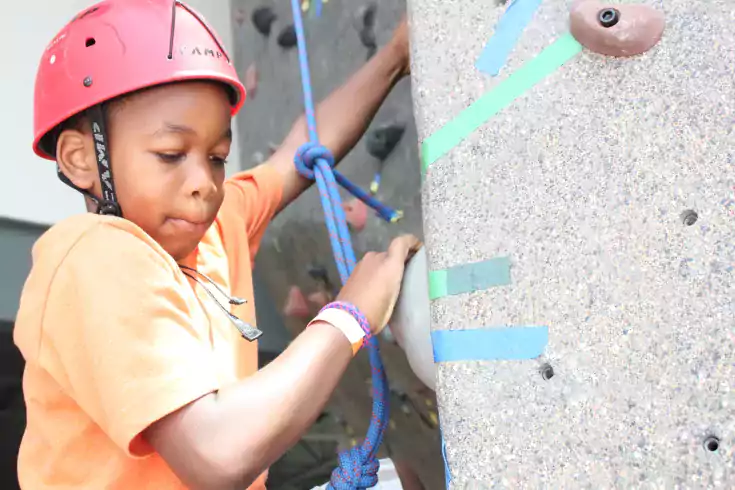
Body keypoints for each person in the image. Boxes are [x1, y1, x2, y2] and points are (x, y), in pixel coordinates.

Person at [13, 0, 420, 488]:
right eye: (171, 154)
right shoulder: (91, 256)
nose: (203, 182)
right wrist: (350, 314)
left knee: (407, 476)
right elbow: (216, 455)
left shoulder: (213, 227)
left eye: (217, 156)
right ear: (81, 159)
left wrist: (396, 55)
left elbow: (299, 152)